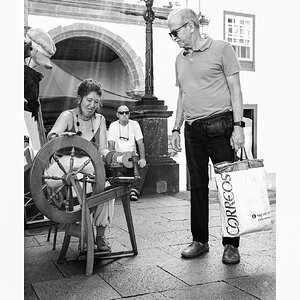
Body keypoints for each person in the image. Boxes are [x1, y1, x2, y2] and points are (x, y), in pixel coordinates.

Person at [168, 8, 245, 264]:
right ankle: (200, 240)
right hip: (193, 131)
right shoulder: (179, 59)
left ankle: (231, 245)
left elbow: (235, 90)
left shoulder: (222, 49)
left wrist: (239, 126)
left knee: (227, 188)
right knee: (197, 187)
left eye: (175, 31)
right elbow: (182, 96)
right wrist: (176, 128)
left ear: (191, 26)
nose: (173, 37)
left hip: (221, 127)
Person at [46, 79, 112, 252]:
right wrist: (62, 138)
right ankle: (85, 233)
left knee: (106, 189)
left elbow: (103, 149)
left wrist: (115, 157)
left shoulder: (100, 119)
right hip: (62, 170)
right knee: (82, 184)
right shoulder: (68, 115)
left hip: (87, 166)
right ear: (80, 98)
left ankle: (99, 235)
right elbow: (51, 138)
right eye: (89, 100)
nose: (92, 105)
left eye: (96, 102)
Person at [107, 105, 147, 201]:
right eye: (121, 113)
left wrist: (142, 158)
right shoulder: (113, 125)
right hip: (119, 158)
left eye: (126, 112)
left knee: (144, 166)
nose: (124, 115)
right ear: (117, 114)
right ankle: (122, 190)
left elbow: (140, 142)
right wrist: (114, 159)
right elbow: (111, 144)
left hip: (133, 158)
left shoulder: (135, 124)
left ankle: (134, 190)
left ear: (129, 114)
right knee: (111, 168)